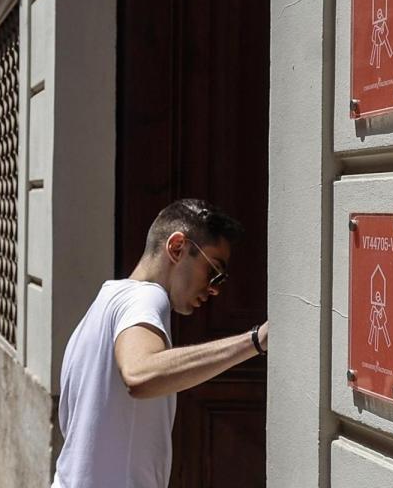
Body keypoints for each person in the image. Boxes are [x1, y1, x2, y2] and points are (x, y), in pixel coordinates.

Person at [52, 199, 268, 488]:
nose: (215, 288)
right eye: (213, 271)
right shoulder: (145, 298)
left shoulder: (102, 305)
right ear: (177, 247)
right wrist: (255, 341)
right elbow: (140, 374)